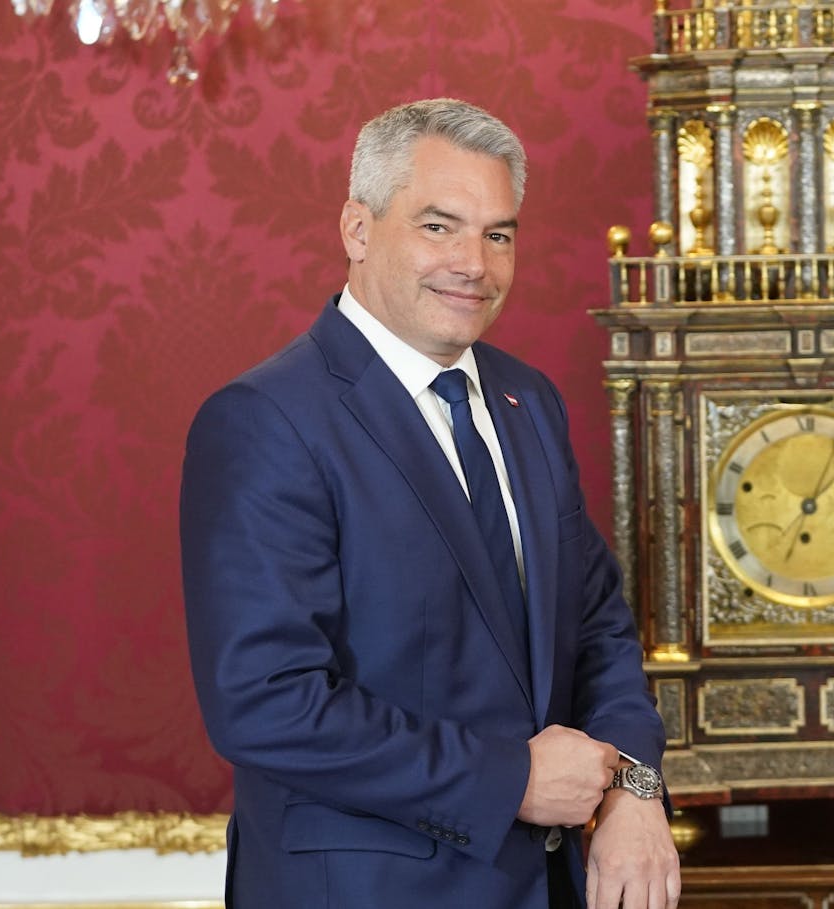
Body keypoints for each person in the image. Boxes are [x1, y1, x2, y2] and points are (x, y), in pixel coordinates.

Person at [180, 98, 680, 909]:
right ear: (358, 228)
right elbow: (265, 703)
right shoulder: (267, 420)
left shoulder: (529, 402)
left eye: (499, 234)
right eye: (439, 227)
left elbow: (597, 627)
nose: (474, 264)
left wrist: (634, 784)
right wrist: (509, 777)